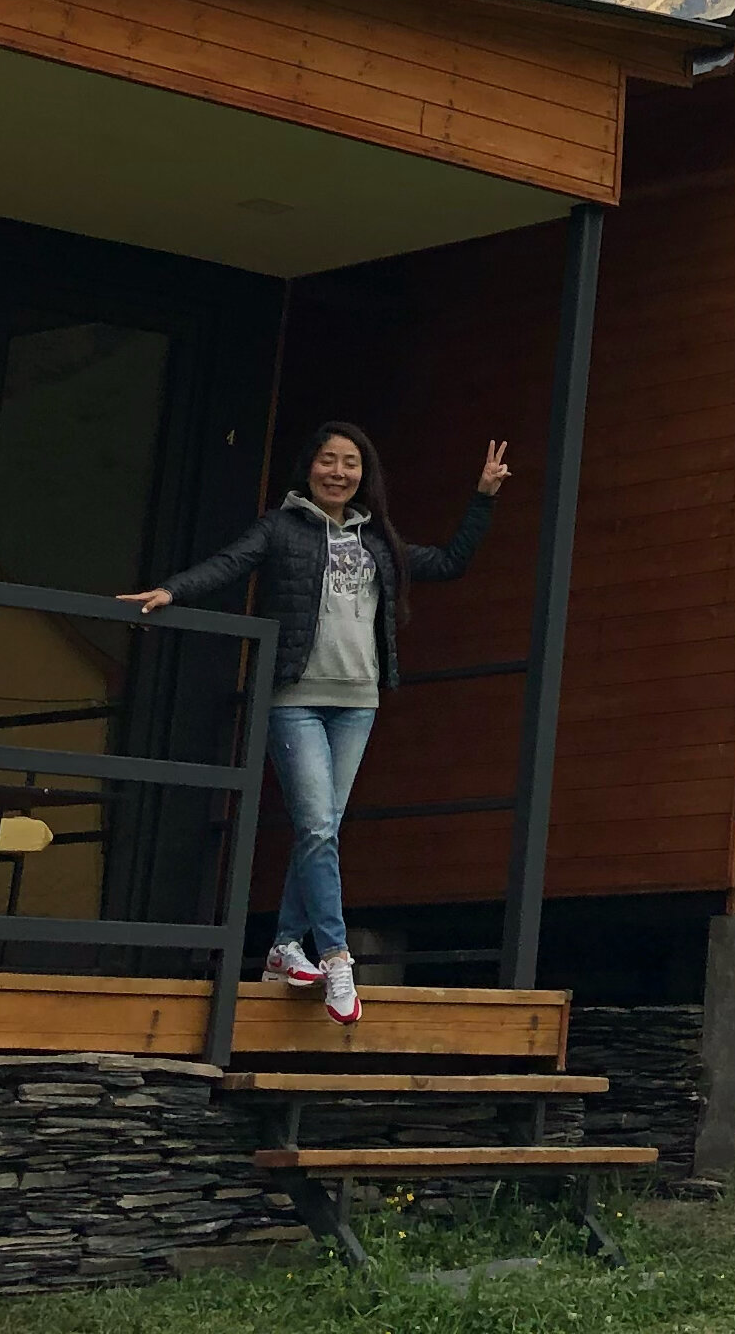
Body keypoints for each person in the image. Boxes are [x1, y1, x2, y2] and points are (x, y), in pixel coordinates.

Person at [122, 421, 508, 1024]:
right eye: (328, 460)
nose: (338, 472)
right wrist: (172, 592)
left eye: (350, 463)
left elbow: (452, 561)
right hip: (294, 699)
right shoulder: (281, 528)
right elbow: (228, 565)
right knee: (318, 830)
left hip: (358, 703)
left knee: (322, 828)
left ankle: (283, 948)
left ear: (364, 475)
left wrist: (482, 497)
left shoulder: (379, 539)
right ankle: (335, 956)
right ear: (310, 468)